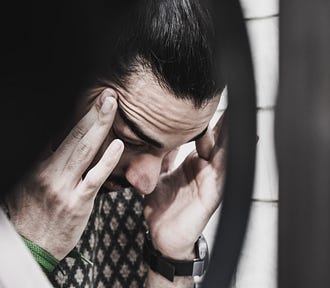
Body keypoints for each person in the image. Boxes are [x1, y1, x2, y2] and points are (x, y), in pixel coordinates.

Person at [3, 0, 227, 287]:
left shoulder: (144, 204)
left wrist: (172, 259)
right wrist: (29, 251)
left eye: (174, 146)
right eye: (130, 139)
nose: (147, 183)